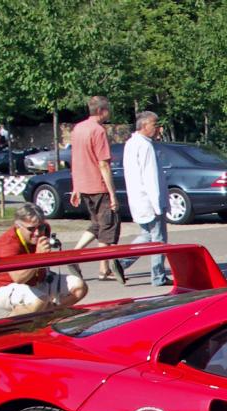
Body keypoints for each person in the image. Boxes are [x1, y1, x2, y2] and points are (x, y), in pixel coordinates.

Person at [0, 204, 87, 315]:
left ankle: (48, 316)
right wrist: (38, 256)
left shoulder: (46, 229)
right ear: (18, 226)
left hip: (37, 280)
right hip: (4, 287)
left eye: (40, 227)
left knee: (80, 288)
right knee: (39, 301)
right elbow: (19, 279)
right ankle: (9, 327)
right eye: (31, 229)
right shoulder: (8, 243)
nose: (37, 233)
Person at [69, 95, 124, 283]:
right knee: (108, 225)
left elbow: (75, 159)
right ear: (101, 111)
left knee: (96, 224)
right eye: (108, 109)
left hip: (84, 185)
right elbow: (103, 164)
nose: (109, 113)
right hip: (98, 185)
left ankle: (75, 255)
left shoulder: (78, 129)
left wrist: (76, 186)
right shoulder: (98, 131)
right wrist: (112, 193)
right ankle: (103, 269)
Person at [123, 111, 171, 287]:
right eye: (154, 124)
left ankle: (121, 263)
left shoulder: (131, 144)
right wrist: (158, 203)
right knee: (158, 239)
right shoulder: (145, 146)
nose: (158, 128)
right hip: (149, 201)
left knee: (147, 236)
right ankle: (158, 276)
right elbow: (151, 177)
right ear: (144, 126)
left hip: (139, 199)